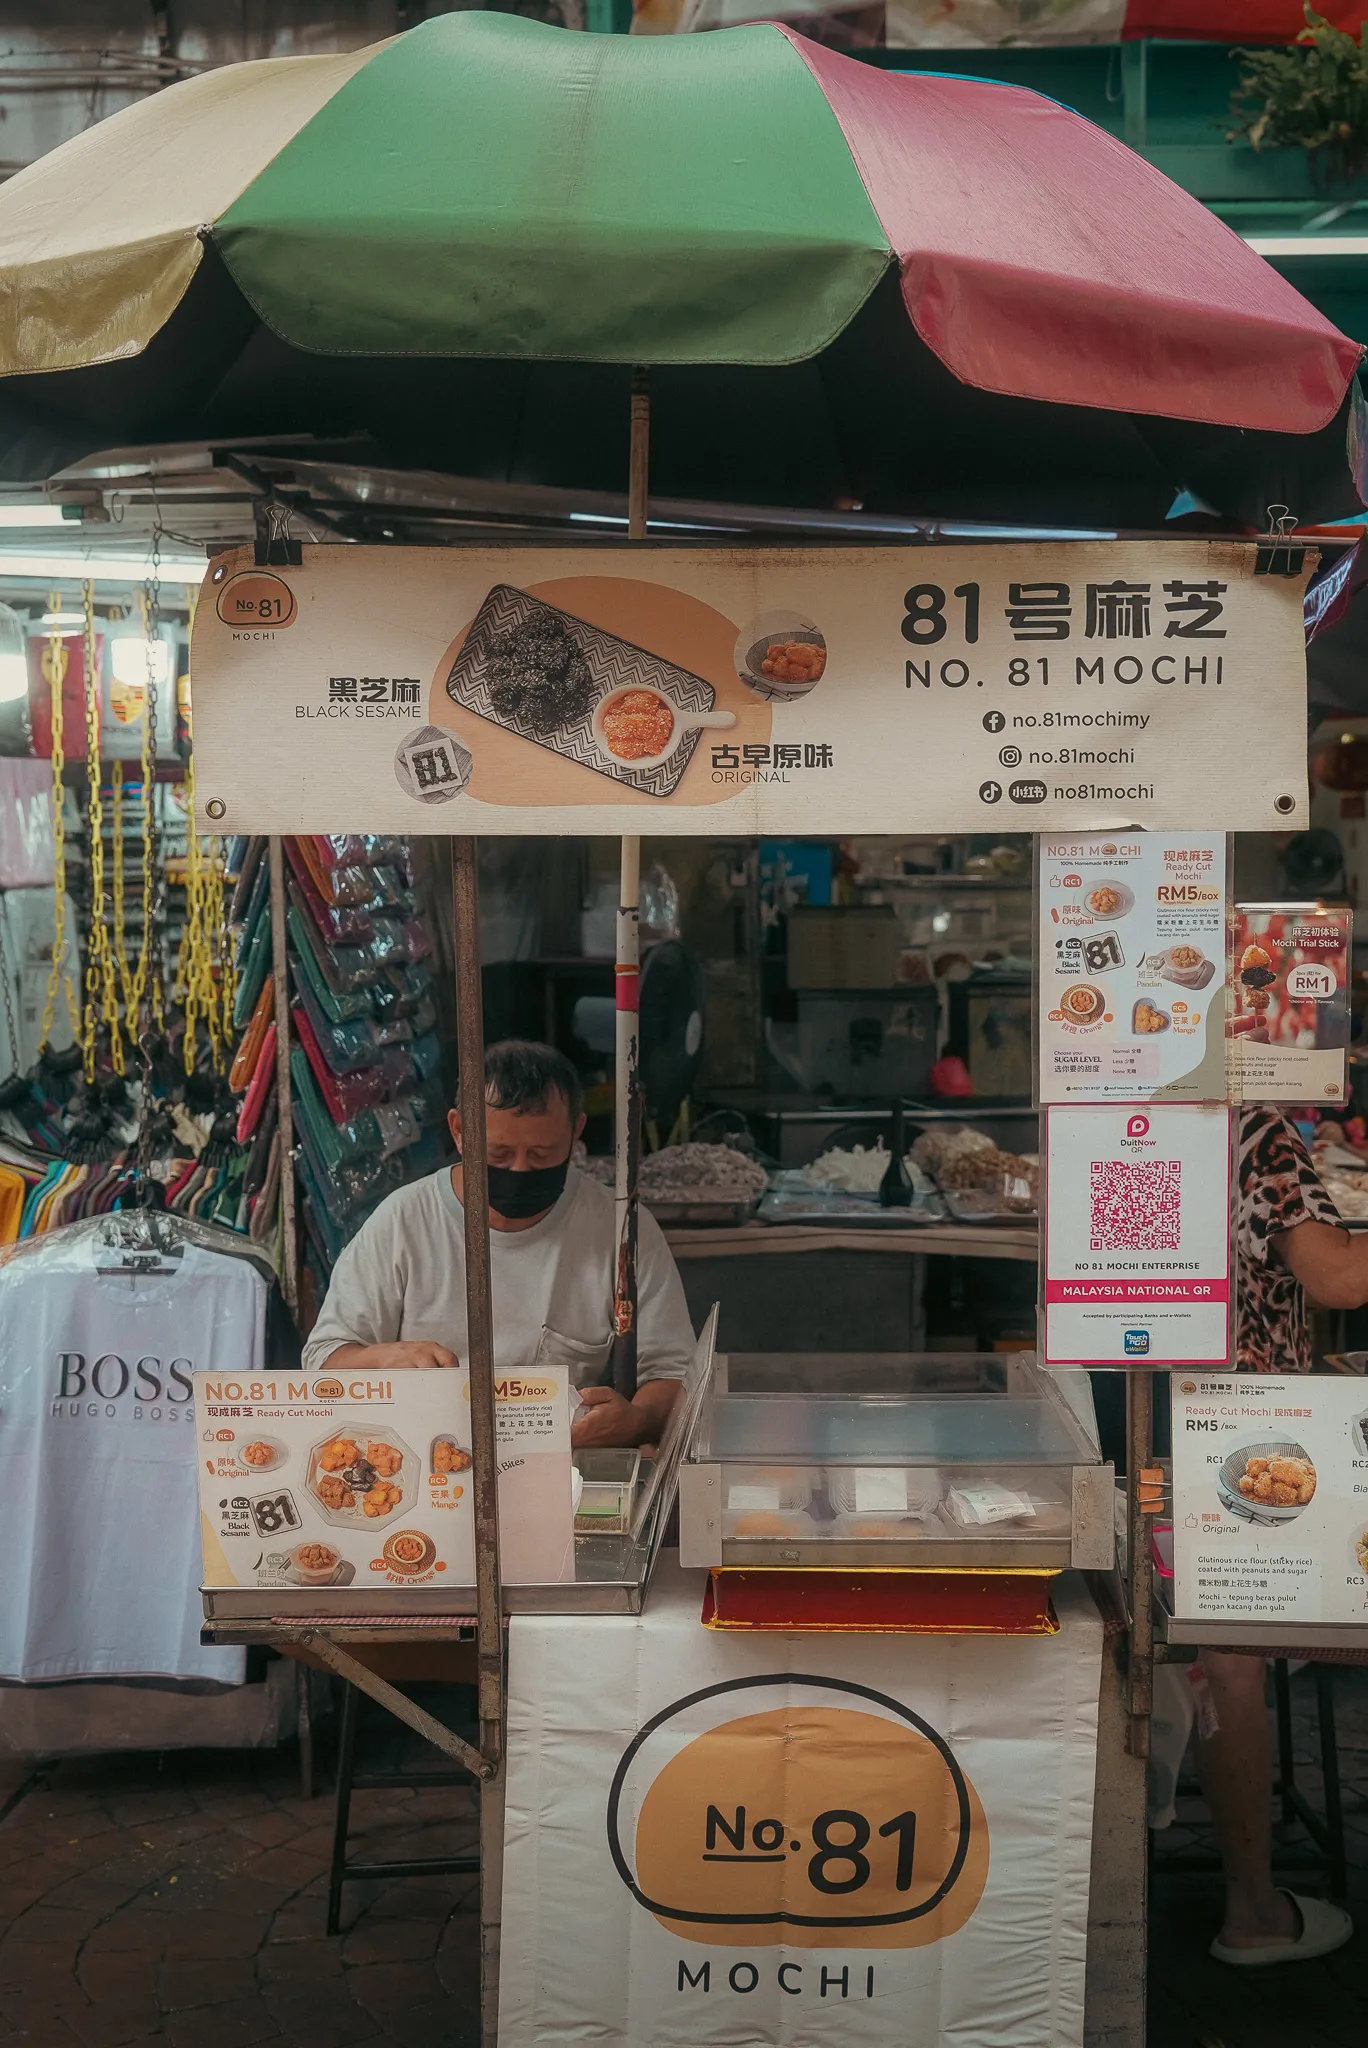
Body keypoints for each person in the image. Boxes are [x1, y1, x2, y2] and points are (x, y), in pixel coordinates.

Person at [303, 1039, 696, 1448]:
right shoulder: (403, 1223)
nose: (521, 1170)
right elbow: (323, 1362)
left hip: (565, 1470)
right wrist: (386, 1358)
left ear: (576, 1132)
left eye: (543, 1154)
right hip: (424, 1466)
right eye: (499, 1154)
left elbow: (674, 1373)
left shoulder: (621, 1230)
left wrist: (636, 1420)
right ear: (459, 1131)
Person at [1196, 1106, 1358, 1967]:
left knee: (1194, 1648)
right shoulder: (1256, 1128)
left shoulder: (1115, 1110)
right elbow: (1333, 1278)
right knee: (1229, 1654)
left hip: (1138, 1397)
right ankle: (1253, 1910)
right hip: (1233, 1419)